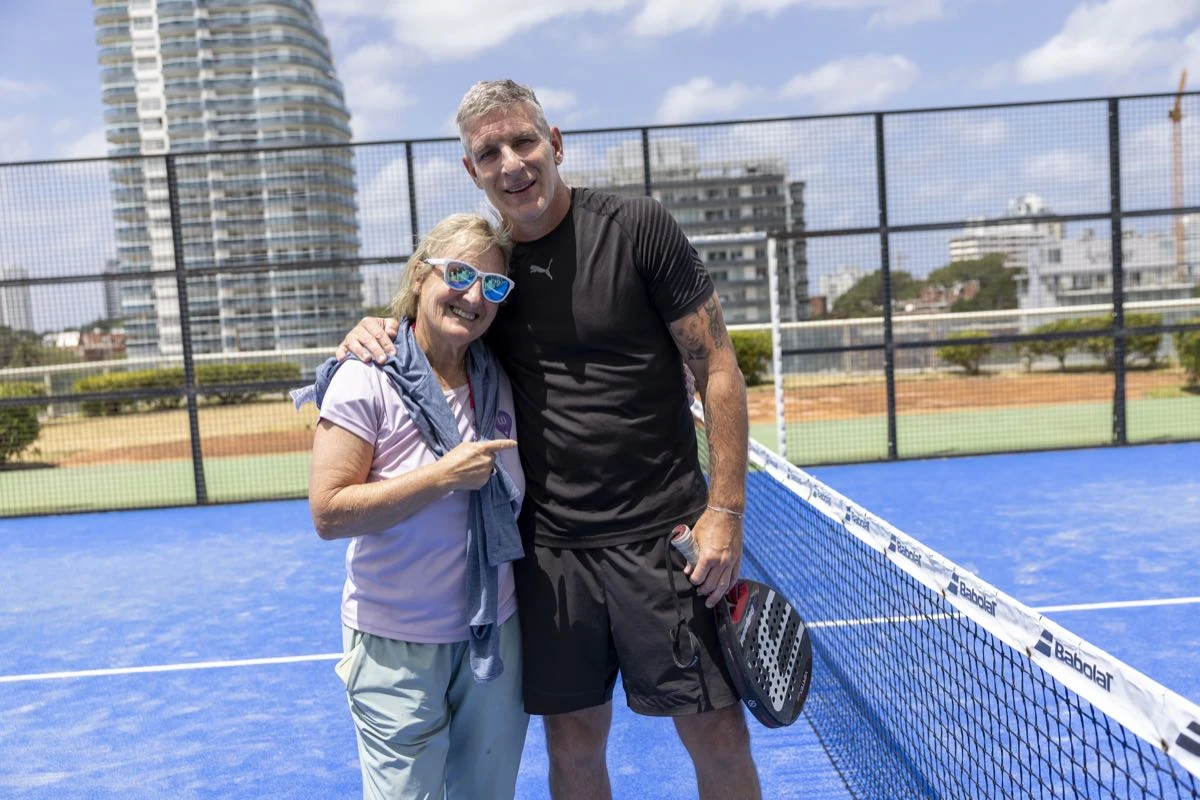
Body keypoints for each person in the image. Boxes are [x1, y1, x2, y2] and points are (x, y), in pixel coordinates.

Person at [334, 80, 760, 800]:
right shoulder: (492, 277)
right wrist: (369, 330)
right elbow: (434, 319)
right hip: (551, 552)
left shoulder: (637, 226)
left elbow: (716, 364)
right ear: (472, 170)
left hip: (668, 535)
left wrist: (727, 510)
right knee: (573, 739)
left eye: (523, 141)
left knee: (716, 730)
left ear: (555, 142)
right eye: (489, 152)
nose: (512, 163)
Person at [306, 213, 529, 799]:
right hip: (394, 645)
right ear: (420, 275)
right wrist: (439, 478)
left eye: (495, 286)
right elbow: (328, 512)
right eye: (459, 273)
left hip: (493, 637)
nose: (475, 295)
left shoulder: (502, 373)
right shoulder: (365, 376)